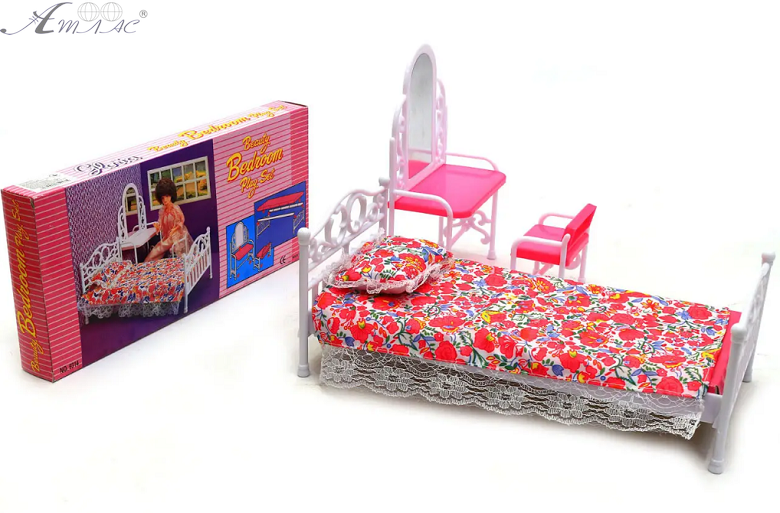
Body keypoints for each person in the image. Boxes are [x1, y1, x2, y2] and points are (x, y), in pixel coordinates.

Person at [144, 177, 194, 262]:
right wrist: (157, 226)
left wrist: (175, 229)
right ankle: (149, 262)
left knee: (177, 252)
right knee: (158, 249)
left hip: (178, 234)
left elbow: (182, 220)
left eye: (167, 196)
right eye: (162, 198)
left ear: (171, 195)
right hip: (168, 237)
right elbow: (160, 223)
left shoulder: (175, 208)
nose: (165, 200)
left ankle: (185, 262)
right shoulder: (162, 211)